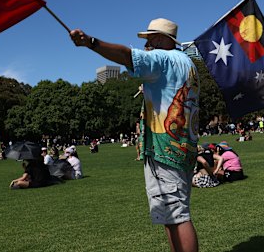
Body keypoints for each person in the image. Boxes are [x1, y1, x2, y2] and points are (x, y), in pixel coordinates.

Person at [70, 18, 200, 251]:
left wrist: (91, 42)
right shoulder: (187, 62)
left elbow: (128, 56)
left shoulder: (162, 58)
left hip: (164, 148)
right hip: (182, 147)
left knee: (177, 215)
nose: (147, 43)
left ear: (161, 38)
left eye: (149, 38)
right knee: (171, 215)